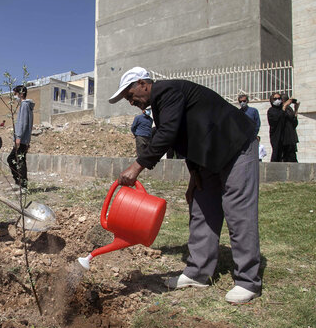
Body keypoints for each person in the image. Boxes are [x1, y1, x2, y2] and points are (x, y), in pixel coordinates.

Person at [109, 67, 261, 304]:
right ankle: (198, 273)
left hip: (236, 146)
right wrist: (194, 174)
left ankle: (247, 281)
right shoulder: (161, 106)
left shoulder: (167, 91)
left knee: (238, 211)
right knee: (201, 209)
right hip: (208, 159)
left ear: (143, 84)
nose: (130, 102)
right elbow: (187, 138)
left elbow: (168, 134)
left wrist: (137, 166)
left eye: (130, 95)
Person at [7, 85, 34, 191]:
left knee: (15, 160)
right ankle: (20, 183)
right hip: (24, 139)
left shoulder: (24, 105)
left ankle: (22, 185)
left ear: (21, 94)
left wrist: (18, 137)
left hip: (21, 139)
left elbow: (23, 123)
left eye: (15, 94)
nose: (14, 97)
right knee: (18, 160)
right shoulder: (27, 106)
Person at [267, 93, 299, 162]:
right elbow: (277, 121)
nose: (278, 100)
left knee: (291, 158)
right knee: (277, 157)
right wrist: (284, 107)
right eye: (275, 99)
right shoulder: (271, 111)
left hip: (289, 139)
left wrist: (295, 110)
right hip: (278, 138)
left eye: (279, 98)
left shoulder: (287, 110)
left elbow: (294, 123)